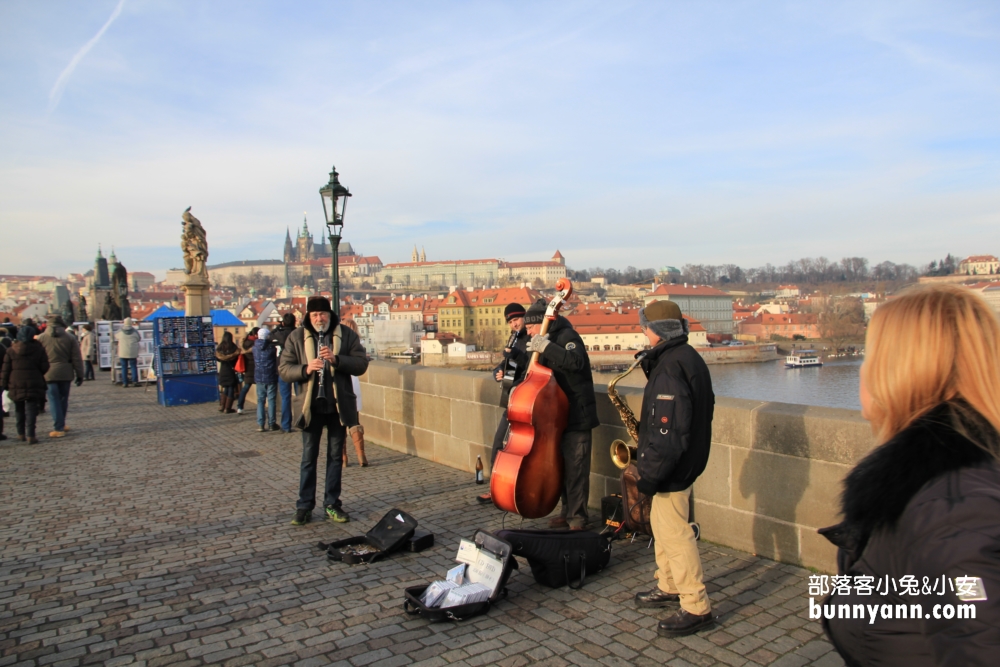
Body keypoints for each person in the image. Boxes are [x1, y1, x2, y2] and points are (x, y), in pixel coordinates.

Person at [820, 284, 1000, 665]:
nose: (863, 369)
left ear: (900, 369)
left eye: (872, 354)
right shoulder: (946, 481)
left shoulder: (955, 508)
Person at [631, 300, 715, 637]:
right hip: (684, 462)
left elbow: (668, 433)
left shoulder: (670, 366)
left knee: (675, 533)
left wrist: (648, 475)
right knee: (662, 527)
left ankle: (696, 605)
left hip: (672, 467)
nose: (642, 331)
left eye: (644, 326)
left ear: (656, 330)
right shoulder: (685, 357)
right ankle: (668, 585)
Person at [279, 296, 368, 525]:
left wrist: (337, 359)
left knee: (335, 457)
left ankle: (332, 503)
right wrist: (306, 368)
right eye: (315, 315)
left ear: (330, 315)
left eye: (323, 314)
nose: (320, 318)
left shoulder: (345, 335)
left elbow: (361, 363)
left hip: (338, 406)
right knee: (309, 457)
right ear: (308, 317)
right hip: (311, 406)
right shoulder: (297, 337)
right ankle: (304, 506)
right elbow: (284, 369)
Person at [522, 299, 599, 530]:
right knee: (562, 469)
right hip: (556, 419)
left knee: (576, 470)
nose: (527, 332)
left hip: (577, 416)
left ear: (542, 322)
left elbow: (576, 363)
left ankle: (578, 519)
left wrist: (546, 348)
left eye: (530, 327)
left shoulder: (567, 337)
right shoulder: (542, 341)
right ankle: (566, 513)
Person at [477, 302, 528, 503]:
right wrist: (498, 372)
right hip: (513, 402)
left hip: (525, 401)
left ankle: (515, 489)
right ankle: (496, 488)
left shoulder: (531, 338)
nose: (514, 325)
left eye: (516, 320)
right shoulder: (515, 338)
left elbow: (527, 366)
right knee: (499, 444)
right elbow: (507, 366)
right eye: (510, 322)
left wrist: (512, 356)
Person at [0, 325, 49, 444]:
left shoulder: (11, 350)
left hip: (15, 382)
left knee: (19, 408)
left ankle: (20, 433)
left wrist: (4, 383)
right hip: (34, 381)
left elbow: (6, 369)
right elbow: (45, 367)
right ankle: (31, 435)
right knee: (31, 409)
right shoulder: (38, 349)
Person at [37, 315, 83, 438]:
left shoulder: (41, 338)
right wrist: (80, 374)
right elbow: (76, 358)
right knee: (63, 399)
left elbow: (36, 358)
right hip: (65, 372)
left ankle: (58, 426)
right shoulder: (70, 338)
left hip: (48, 372)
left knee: (53, 400)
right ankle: (61, 424)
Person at [340, 318, 368, 467]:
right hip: (354, 384)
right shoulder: (358, 345)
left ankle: (343, 457)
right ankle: (360, 454)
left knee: (340, 423)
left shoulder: (338, 345)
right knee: (354, 421)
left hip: (341, 383)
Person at [271, 313, 297, 433]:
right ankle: (302, 422)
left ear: (283, 322)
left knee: (285, 397)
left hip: (284, 367)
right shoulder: (297, 333)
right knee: (301, 396)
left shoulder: (279, 334)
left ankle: (286, 425)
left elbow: (269, 336)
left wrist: (278, 327)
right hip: (297, 366)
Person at [252, 327, 279, 432]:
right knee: (271, 400)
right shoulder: (272, 348)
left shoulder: (254, 348)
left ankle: (260, 424)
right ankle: (272, 423)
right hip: (271, 376)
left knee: (260, 401)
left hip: (259, 377)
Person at [215, 332, 240, 414]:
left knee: (225, 387)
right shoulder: (233, 348)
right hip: (231, 370)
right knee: (231, 388)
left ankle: (222, 406)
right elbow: (237, 358)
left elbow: (218, 359)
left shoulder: (220, 348)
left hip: (223, 370)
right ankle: (228, 408)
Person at [236, 328, 258, 415]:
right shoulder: (256, 344)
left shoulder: (244, 343)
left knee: (245, 388)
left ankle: (239, 406)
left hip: (248, 369)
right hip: (256, 368)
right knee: (263, 388)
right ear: (256, 334)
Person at [115, 317, 141, 387]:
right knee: (133, 366)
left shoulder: (120, 331)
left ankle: (125, 382)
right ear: (131, 323)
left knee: (124, 367)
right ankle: (135, 381)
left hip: (123, 352)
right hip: (132, 351)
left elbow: (116, 336)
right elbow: (138, 338)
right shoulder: (135, 331)